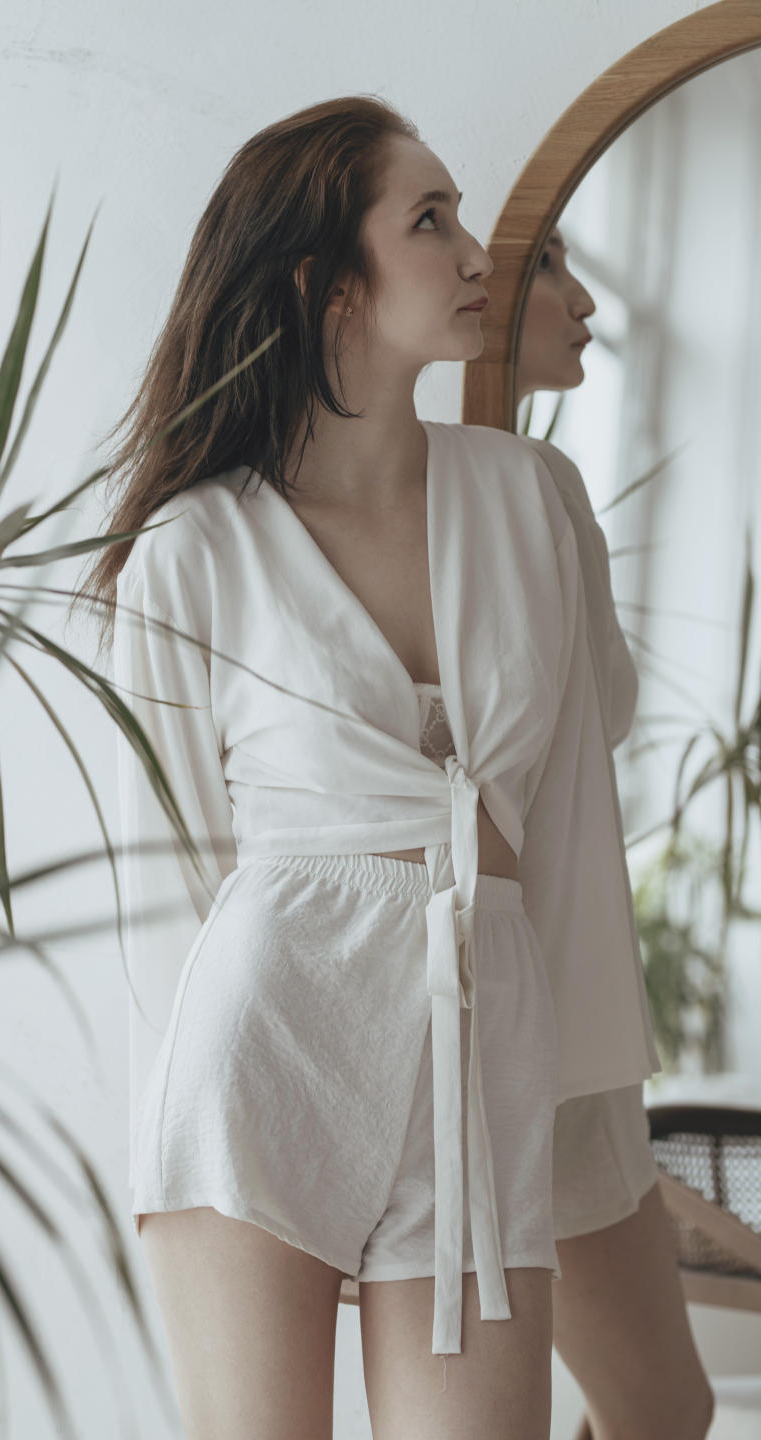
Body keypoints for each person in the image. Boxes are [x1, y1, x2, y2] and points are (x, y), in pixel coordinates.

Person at [77, 95, 707, 1439]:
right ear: (329, 285)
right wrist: (162, 1153)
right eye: (431, 221)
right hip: (266, 1054)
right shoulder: (194, 549)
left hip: (483, 1042)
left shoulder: (535, 500)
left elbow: (585, 747)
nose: (479, 254)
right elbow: (166, 890)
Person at [515, 231, 715, 1440]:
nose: (583, 299)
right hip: (539, 1017)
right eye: (546, 266)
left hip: (528, 1014)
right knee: (662, 1407)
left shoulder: (522, 484)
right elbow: (612, 702)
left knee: (651, 1404)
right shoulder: (532, 486)